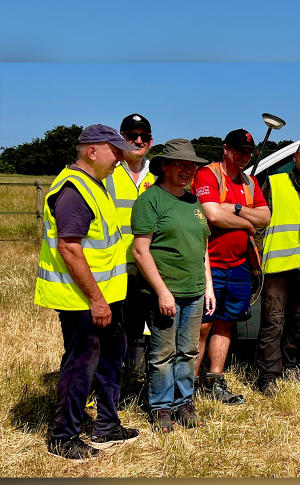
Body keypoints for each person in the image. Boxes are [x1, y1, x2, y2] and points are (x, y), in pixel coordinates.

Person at [35, 124, 140, 461]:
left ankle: (107, 424)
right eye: (115, 150)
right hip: (83, 300)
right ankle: (63, 436)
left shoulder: (96, 184)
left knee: (112, 354)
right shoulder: (75, 190)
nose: (121, 158)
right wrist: (96, 299)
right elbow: (70, 249)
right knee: (81, 364)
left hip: (105, 297)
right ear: (92, 151)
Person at [131, 140, 213, 432]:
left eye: (191, 166)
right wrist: (162, 291)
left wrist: (208, 287)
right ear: (164, 165)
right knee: (163, 352)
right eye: (180, 164)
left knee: (188, 350)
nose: (187, 170)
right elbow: (141, 251)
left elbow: (202, 246)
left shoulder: (193, 201)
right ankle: (162, 407)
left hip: (194, 290)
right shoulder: (150, 200)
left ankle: (184, 403)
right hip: (165, 292)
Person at [192, 129, 271, 405]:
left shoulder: (249, 182)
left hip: (239, 266)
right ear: (225, 149)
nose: (243, 157)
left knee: (225, 324)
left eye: (247, 153)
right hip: (209, 265)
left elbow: (266, 216)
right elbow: (211, 214)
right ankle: (188, 386)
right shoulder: (208, 175)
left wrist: (235, 209)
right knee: (202, 326)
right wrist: (247, 222)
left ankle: (215, 380)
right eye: (238, 151)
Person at [255, 141, 300, 396]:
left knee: (297, 322)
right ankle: (268, 376)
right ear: (295, 158)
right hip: (275, 265)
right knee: (273, 321)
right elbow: (260, 223)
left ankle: (290, 366)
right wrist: (257, 258)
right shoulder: (275, 183)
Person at [105, 113, 156, 377]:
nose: (138, 140)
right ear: (121, 138)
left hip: (147, 268)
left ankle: (132, 381)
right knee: (111, 330)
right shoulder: (107, 173)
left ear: (151, 140)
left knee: (140, 329)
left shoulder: (158, 175)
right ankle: (108, 385)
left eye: (143, 136)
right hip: (113, 268)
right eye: (131, 136)